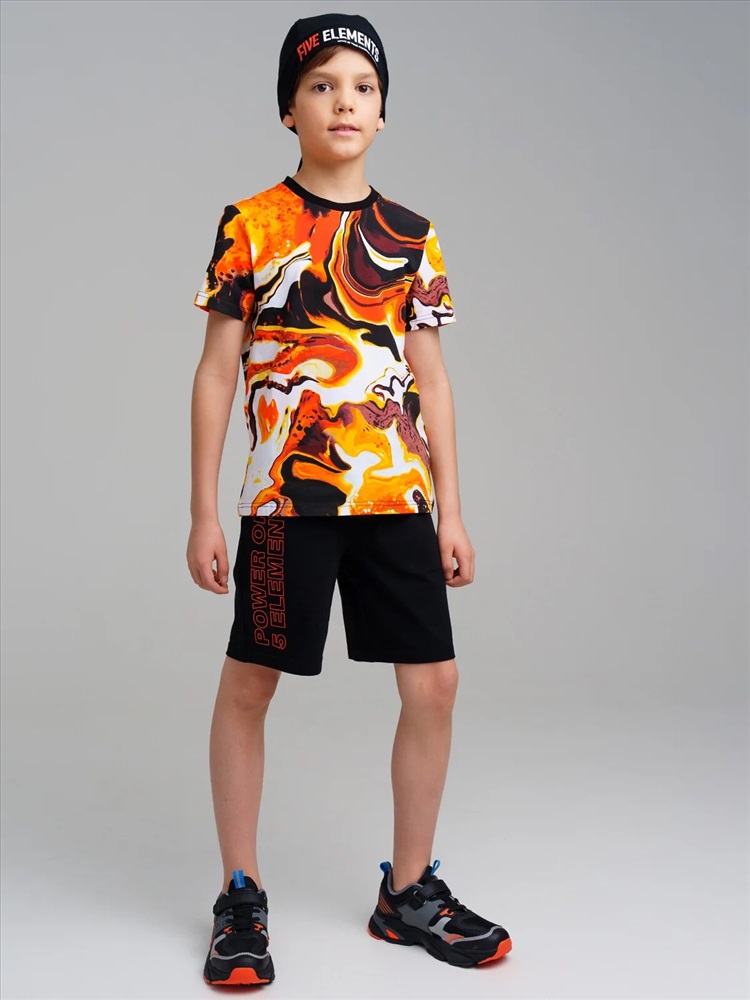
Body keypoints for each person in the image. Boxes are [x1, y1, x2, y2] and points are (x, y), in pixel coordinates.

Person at [187, 11, 512, 987]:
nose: (344, 102)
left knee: (435, 684)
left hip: (396, 498)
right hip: (287, 502)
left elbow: (433, 379)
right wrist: (203, 511)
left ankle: (407, 891)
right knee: (251, 682)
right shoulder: (252, 224)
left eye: (362, 87)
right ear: (289, 109)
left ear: (382, 112)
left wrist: (452, 508)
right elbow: (216, 372)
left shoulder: (411, 235)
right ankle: (240, 893)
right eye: (321, 85)